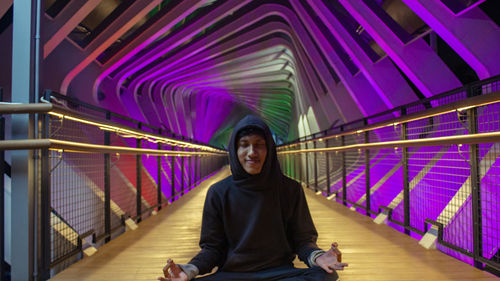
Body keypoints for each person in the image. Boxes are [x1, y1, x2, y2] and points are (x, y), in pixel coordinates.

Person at [158, 115, 348, 281]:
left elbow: (302, 240)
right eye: (244, 145)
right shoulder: (218, 192)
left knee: (326, 274)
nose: (252, 153)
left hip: (279, 274)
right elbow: (212, 249)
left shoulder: (289, 189)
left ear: (269, 150)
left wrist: (318, 257)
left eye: (259, 145)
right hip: (233, 275)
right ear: (234, 150)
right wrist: (189, 271)